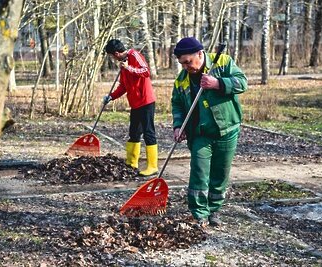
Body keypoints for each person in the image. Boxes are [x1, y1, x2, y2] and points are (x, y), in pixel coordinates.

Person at [171, 37, 248, 227]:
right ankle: (199, 214)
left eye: (188, 62)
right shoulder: (181, 81)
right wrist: (178, 126)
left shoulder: (222, 62)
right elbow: (177, 105)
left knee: (220, 173)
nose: (186, 67)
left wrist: (218, 84)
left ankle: (214, 210)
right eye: (182, 64)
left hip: (227, 129)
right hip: (200, 133)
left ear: (199, 54)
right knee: (199, 172)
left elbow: (242, 83)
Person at [103, 39, 158, 177]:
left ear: (116, 53)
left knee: (148, 132)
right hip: (135, 104)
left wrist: (129, 68)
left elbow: (146, 71)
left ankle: (152, 166)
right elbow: (123, 86)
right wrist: (111, 96)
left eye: (112, 56)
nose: (113, 59)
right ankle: (131, 163)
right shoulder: (123, 65)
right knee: (134, 133)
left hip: (146, 101)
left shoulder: (134, 55)